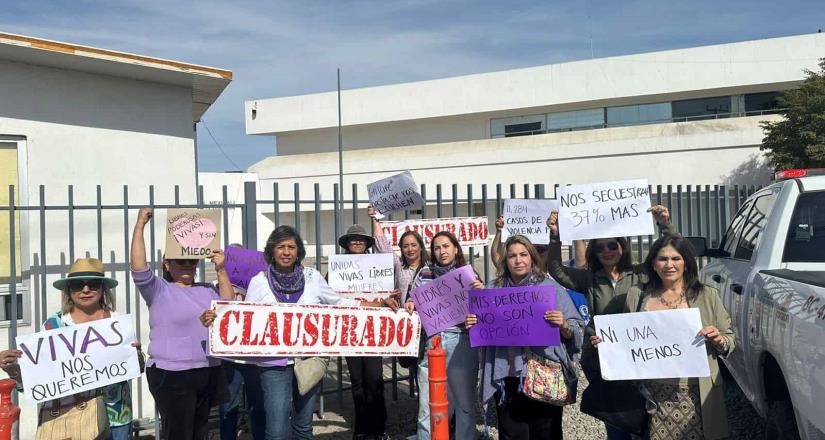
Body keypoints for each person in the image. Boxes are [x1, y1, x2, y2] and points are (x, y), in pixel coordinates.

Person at [201, 225, 398, 440]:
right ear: (271, 251)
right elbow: (243, 318)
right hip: (273, 367)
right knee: (276, 432)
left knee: (304, 429)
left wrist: (377, 304)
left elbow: (341, 302)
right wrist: (217, 318)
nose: (286, 252)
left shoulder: (313, 277)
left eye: (291, 247)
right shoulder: (259, 281)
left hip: (309, 363)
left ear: (298, 252)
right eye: (281, 247)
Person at [547, 205, 674, 439]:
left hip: (640, 356)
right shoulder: (589, 278)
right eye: (600, 247)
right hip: (603, 357)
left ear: (622, 247)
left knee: (647, 418)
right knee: (616, 421)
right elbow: (555, 270)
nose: (607, 251)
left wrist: (664, 225)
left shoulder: (642, 274)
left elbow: (671, 256)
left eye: (612, 245)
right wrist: (555, 236)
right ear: (594, 253)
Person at [592, 235, 734, 440]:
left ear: (686, 262)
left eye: (676, 258)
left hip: (695, 393)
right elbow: (628, 340)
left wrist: (719, 339)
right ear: (653, 264)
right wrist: (607, 344)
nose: (669, 265)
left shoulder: (707, 295)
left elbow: (729, 340)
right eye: (662, 259)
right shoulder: (637, 295)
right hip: (651, 394)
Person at [0, 258, 141, 440]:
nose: (85, 290)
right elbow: (38, 381)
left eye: (93, 284)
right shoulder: (53, 326)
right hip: (71, 418)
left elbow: (134, 367)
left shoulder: (117, 322)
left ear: (103, 288)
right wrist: (12, 370)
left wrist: (137, 357)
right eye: (77, 285)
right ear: (69, 290)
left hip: (116, 416)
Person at [466, 235, 584, 439]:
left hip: (544, 374)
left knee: (546, 433)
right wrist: (474, 323)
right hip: (507, 376)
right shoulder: (493, 289)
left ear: (532, 258)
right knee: (512, 434)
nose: (518, 260)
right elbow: (484, 332)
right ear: (505, 260)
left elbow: (577, 328)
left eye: (523, 254)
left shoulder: (550, 288)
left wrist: (564, 325)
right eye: (512, 256)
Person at [130, 207, 231, 440]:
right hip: (171, 375)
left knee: (200, 432)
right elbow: (138, 268)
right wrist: (140, 226)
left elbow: (229, 306)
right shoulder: (158, 289)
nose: (187, 264)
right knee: (178, 434)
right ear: (167, 264)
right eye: (180, 260)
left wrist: (221, 269)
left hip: (207, 371)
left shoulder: (207, 289)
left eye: (192, 260)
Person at [406, 230, 484, 440]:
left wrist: (481, 294)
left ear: (456, 248)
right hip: (434, 341)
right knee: (427, 404)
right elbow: (414, 301)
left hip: (462, 341)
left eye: (446, 246)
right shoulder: (424, 273)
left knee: (464, 404)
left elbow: (483, 313)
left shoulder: (469, 275)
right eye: (437, 248)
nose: (442, 251)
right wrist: (411, 302)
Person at [336, 222, 391, 440]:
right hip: (350, 331)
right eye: (353, 239)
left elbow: (387, 292)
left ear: (367, 244)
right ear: (347, 244)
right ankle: (361, 428)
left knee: (375, 379)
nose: (357, 242)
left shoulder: (378, 265)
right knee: (357, 382)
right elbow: (331, 297)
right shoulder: (337, 268)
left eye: (361, 239)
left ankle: (379, 428)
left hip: (374, 330)